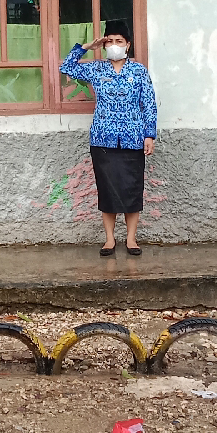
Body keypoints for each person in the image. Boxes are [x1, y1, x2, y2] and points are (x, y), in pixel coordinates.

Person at [60, 19, 157, 256]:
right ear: (105, 45)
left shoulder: (139, 71)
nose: (114, 45)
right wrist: (86, 47)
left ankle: (131, 239)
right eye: (110, 41)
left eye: (119, 41)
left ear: (128, 44)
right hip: (103, 140)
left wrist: (149, 135)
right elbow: (67, 67)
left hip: (133, 139)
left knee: (132, 189)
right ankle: (110, 240)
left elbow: (149, 104)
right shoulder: (96, 68)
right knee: (108, 190)